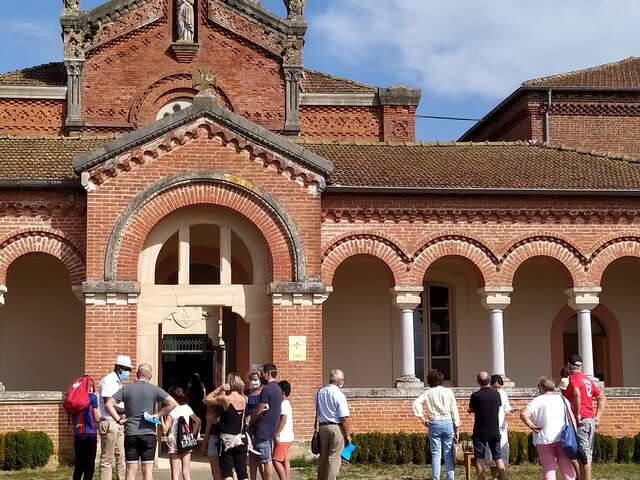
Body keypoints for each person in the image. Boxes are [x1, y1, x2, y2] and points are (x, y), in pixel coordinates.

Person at [106, 363, 178, 480]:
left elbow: (109, 403)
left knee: (130, 469)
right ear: (150, 376)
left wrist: (118, 419)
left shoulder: (126, 388)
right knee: (147, 470)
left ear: (137, 374)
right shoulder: (154, 389)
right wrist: (159, 415)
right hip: (148, 433)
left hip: (131, 432)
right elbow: (173, 403)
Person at [521, 377, 577, 480]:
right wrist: (575, 433)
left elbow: (524, 414)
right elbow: (572, 418)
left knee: (549, 468)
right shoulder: (562, 399)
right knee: (566, 467)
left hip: (543, 438)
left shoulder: (537, 400)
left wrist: (532, 426)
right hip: (563, 437)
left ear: (541, 387)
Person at [562, 355, 606, 480]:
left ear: (569, 365)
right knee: (584, 454)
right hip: (590, 419)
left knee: (585, 455)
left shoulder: (574, 378)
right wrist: (597, 417)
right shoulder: (587, 379)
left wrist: (577, 415)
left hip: (581, 420)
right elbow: (602, 398)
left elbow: (576, 393)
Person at [412, 369, 460, 480]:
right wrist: (456, 427)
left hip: (434, 422)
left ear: (430, 381)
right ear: (441, 379)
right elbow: (454, 410)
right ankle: (450, 478)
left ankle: (435, 478)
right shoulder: (448, 392)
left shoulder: (428, 392)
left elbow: (416, 402)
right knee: (449, 453)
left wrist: (422, 418)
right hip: (448, 422)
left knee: (436, 454)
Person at [204, 374, 248, 480]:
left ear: (230, 384)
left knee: (227, 472)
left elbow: (206, 399)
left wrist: (220, 388)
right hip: (240, 438)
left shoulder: (225, 399)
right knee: (242, 472)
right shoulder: (244, 399)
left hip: (226, 440)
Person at [98, 355, 132, 480]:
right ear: (119, 368)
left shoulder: (118, 382)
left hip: (118, 422)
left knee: (120, 457)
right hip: (110, 422)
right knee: (107, 459)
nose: (128, 372)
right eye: (127, 369)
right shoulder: (109, 381)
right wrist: (127, 411)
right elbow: (109, 404)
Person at [469, 371, 507, 480]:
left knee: (479, 458)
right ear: (489, 381)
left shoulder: (475, 395)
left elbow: (472, 409)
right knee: (498, 457)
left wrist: (472, 410)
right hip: (494, 429)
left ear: (478, 381)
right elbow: (498, 406)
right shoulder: (497, 394)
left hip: (480, 430)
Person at [249, 363, 283, 480]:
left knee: (265, 460)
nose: (262, 375)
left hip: (262, 429)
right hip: (271, 429)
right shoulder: (278, 389)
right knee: (261, 457)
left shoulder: (267, 389)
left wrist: (250, 421)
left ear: (268, 373)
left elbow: (259, 410)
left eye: (263, 373)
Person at [316, 369, 351, 480]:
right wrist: (347, 435)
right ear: (339, 381)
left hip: (322, 426)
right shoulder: (338, 394)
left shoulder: (319, 392)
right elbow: (343, 418)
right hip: (336, 427)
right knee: (334, 459)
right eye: (342, 379)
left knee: (323, 457)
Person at [161, 386, 201, 480]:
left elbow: (165, 430)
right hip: (186, 440)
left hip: (174, 441)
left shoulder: (171, 410)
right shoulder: (187, 408)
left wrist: (161, 417)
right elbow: (198, 421)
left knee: (175, 473)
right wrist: (193, 435)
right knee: (186, 472)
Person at [485, 375, 520, 479]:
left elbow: (506, 407)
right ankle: (494, 476)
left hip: (501, 427)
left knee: (502, 453)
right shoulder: (487, 394)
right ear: (490, 385)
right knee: (491, 455)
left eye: (499, 387)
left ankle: (501, 476)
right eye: (494, 387)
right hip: (490, 428)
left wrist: (512, 410)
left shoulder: (503, 394)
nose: (497, 389)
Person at [72, 379, 101, 480]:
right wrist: (96, 399)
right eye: (91, 386)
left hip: (78, 433)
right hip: (90, 434)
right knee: (89, 466)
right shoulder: (92, 397)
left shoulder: (74, 399)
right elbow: (97, 417)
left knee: (79, 465)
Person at [273, 380, 294, 480]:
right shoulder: (287, 403)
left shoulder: (283, 404)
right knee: (285, 460)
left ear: (283, 392)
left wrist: (277, 434)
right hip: (289, 437)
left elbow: (283, 419)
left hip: (283, 437)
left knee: (276, 460)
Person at [245, 369, 263, 480]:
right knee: (251, 455)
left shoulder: (263, 392)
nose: (253, 382)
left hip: (260, 425)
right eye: (251, 379)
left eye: (255, 379)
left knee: (261, 456)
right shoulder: (246, 393)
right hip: (248, 426)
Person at [202, 402, 223, 480]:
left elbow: (207, 432)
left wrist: (203, 447)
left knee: (215, 470)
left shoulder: (210, 415)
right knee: (224, 469)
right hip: (225, 439)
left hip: (213, 440)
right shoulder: (225, 412)